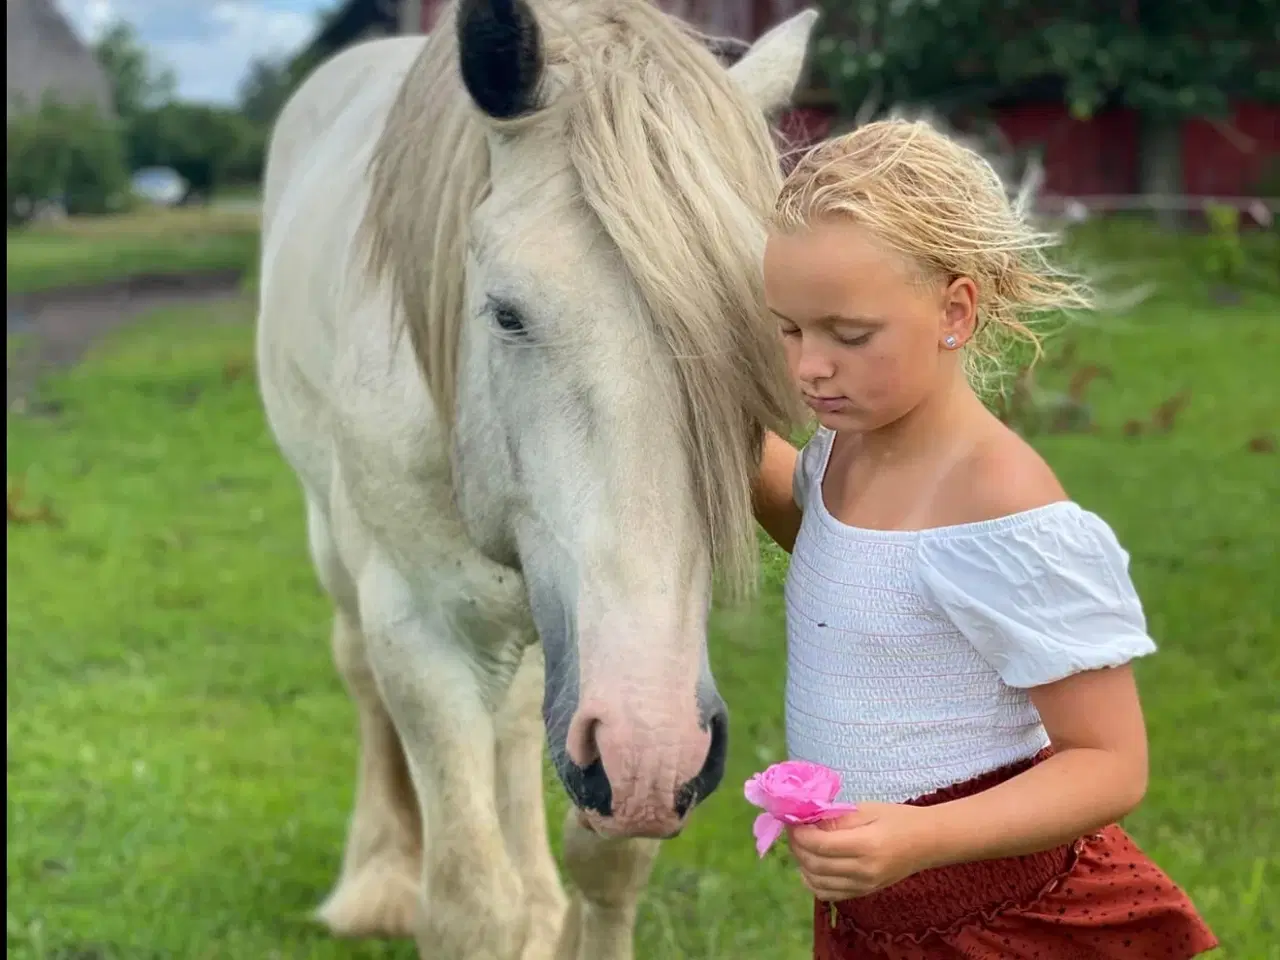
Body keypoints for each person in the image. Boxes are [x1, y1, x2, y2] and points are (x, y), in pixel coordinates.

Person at [750, 119, 1218, 959]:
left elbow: (1110, 762)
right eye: (788, 328)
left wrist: (917, 839)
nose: (808, 367)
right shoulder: (842, 449)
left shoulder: (999, 502)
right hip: (875, 914)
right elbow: (844, 558)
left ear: (954, 311)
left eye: (848, 335)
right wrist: (716, 435)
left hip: (1008, 920)